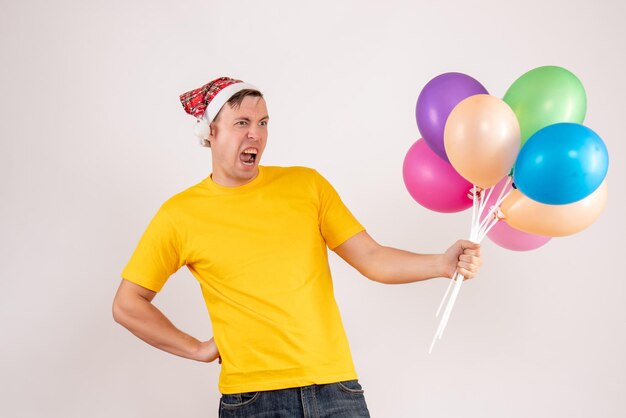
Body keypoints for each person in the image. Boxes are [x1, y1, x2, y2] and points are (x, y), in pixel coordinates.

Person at [112, 76, 482, 417]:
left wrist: (441, 265)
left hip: (337, 390)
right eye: (242, 123)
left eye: (263, 123)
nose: (255, 134)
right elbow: (127, 304)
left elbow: (371, 258)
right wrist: (196, 348)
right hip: (253, 400)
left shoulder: (307, 185)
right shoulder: (180, 214)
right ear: (211, 132)